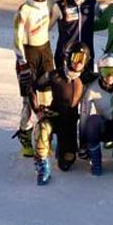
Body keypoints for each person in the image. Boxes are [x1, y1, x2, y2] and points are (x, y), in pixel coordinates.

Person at [30, 42, 92, 185]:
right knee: (43, 128)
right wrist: (37, 109)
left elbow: (108, 78)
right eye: (76, 57)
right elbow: (33, 88)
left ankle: (60, 145)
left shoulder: (85, 78)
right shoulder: (55, 75)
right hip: (53, 116)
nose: (78, 63)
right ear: (69, 57)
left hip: (69, 124)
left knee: (66, 163)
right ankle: (42, 163)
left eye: (82, 59)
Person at [11, 0, 56, 157]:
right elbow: (16, 38)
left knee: (48, 99)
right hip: (28, 55)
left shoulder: (50, 5)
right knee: (30, 101)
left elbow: (51, 23)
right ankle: (25, 135)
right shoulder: (24, 10)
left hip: (45, 52)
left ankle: (45, 137)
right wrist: (22, 62)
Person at [52, 0, 99, 70]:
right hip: (65, 57)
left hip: (85, 57)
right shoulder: (60, 5)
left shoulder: (91, 3)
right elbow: (46, 28)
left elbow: (102, 20)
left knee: (84, 86)